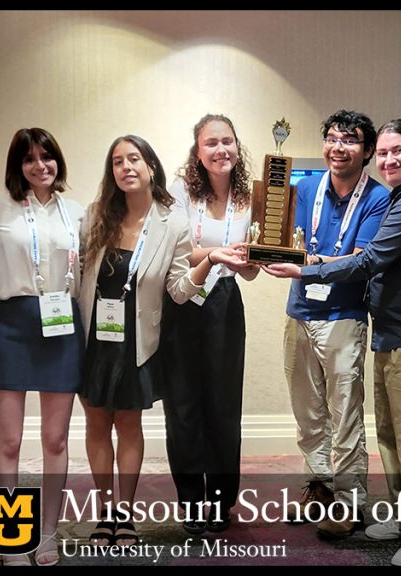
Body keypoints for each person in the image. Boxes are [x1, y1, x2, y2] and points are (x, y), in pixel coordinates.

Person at [264, 119, 401, 566]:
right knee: (393, 435)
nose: (392, 159)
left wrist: (304, 270)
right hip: (393, 331)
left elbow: (371, 258)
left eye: (399, 151)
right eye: (388, 152)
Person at [78, 134, 244, 548]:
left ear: (151, 166)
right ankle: (104, 513)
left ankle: (126, 516)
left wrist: (211, 259)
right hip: (95, 338)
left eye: (134, 159)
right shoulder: (96, 215)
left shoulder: (173, 221)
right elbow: (77, 272)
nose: (126, 168)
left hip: (137, 338)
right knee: (97, 424)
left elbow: (178, 290)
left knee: (129, 425)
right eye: (117, 161)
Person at [279, 110, 390, 540]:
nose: (337, 147)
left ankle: (350, 501)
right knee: (308, 410)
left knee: (344, 413)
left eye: (349, 140)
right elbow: (289, 244)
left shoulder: (377, 198)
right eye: (331, 138)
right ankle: (319, 486)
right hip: (299, 312)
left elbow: (360, 262)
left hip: (344, 315)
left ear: (365, 151)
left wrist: (305, 265)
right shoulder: (306, 188)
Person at [0, 128, 84, 566]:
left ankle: (46, 534)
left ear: (57, 161)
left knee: (55, 439)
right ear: (17, 165)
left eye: (47, 157)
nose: (40, 166)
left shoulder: (77, 213)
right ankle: (9, 538)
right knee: (8, 441)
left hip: (62, 325)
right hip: (13, 325)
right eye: (29, 159)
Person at [160, 114, 258, 535]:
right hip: (181, 299)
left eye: (228, 142)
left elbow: (250, 271)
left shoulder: (251, 197)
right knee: (182, 406)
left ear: (238, 147)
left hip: (224, 302)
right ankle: (191, 501)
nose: (221, 150)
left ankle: (220, 501)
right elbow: (177, 252)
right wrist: (219, 253)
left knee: (222, 405)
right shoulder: (179, 192)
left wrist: (253, 258)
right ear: (197, 151)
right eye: (211, 143)